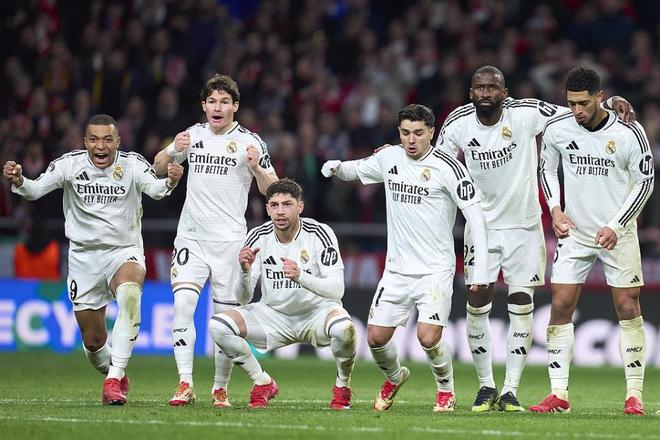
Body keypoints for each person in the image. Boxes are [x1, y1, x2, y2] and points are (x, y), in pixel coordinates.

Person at [436, 65, 634, 412]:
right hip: (480, 227)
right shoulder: (457, 122)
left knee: (521, 303)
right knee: (477, 300)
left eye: (492, 88)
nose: (485, 93)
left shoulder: (526, 113)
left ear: (504, 93)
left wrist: (612, 100)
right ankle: (486, 386)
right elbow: (436, 165)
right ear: (470, 93)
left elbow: (577, 112)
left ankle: (510, 390)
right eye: (479, 87)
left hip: (524, 227)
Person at [3, 114, 183, 405]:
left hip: (123, 251)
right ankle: (115, 372)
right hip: (83, 258)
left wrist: (170, 182)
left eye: (108, 139)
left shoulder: (132, 165)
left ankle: (114, 378)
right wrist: (20, 180)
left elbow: (156, 190)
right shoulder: (69, 165)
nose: (101, 146)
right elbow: (35, 190)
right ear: (85, 141)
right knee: (94, 342)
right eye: (95, 139)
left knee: (130, 295)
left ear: (118, 141)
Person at [322, 104, 489, 413]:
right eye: (405, 133)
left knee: (427, 337)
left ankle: (446, 391)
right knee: (375, 338)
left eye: (418, 133)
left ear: (432, 133)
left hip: (435, 270)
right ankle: (396, 376)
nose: (411, 140)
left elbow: (476, 217)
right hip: (397, 271)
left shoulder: (449, 168)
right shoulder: (390, 158)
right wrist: (336, 167)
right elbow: (358, 169)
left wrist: (480, 270)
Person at [531, 67, 653, 415]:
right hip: (576, 231)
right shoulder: (559, 128)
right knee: (560, 304)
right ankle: (559, 395)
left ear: (600, 97)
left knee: (627, 307)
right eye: (571, 103)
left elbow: (644, 182)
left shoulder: (629, 131)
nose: (577, 110)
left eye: (584, 103)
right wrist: (555, 209)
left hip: (618, 233)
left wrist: (617, 225)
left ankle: (634, 395)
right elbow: (546, 169)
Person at [152, 74, 278, 407]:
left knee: (224, 322)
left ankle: (220, 388)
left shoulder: (250, 142)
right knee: (182, 307)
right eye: (211, 101)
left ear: (235, 106)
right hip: (191, 240)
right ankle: (184, 383)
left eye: (224, 102)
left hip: (229, 244)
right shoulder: (192, 136)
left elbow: (273, 189)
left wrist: (257, 167)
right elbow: (157, 167)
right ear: (204, 105)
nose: (217, 107)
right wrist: (172, 151)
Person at [208, 178, 356, 409]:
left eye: (287, 204)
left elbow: (337, 289)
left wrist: (301, 276)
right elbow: (243, 298)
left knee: (345, 329)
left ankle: (342, 387)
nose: (280, 211)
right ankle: (262, 382)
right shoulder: (258, 236)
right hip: (274, 315)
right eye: (274, 205)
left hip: (316, 313)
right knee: (218, 326)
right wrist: (245, 272)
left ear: (300, 206)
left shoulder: (319, 233)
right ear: (267, 209)